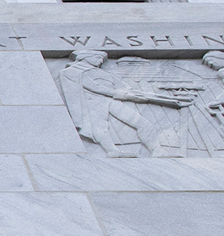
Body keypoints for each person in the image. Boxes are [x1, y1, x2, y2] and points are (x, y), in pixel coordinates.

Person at [58, 49, 186, 157]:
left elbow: (123, 86)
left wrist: (145, 95)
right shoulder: (72, 71)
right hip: (93, 103)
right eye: (97, 57)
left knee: (143, 123)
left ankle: (157, 150)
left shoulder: (102, 72)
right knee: (100, 127)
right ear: (85, 57)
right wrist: (118, 93)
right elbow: (94, 87)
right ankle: (112, 151)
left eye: (101, 58)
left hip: (112, 100)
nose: (101, 60)